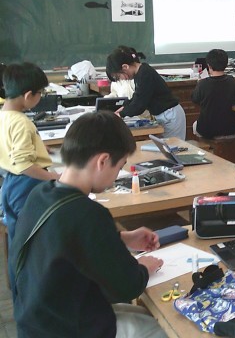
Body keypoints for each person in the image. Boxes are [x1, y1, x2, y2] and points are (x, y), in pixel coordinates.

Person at [9, 111, 166, 337]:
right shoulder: (88, 213)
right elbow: (127, 287)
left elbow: (63, 239)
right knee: (163, 330)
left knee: (141, 316)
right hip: (66, 329)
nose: (116, 176)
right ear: (103, 161)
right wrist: (144, 268)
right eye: (119, 166)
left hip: (37, 321)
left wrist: (123, 238)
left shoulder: (41, 193)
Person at [0, 63, 58, 248]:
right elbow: (24, 165)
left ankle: (17, 266)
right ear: (28, 95)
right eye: (40, 93)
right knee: (32, 238)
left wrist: (37, 147)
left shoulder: (3, 116)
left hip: (10, 183)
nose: (41, 97)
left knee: (18, 236)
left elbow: (9, 147)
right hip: (27, 184)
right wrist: (54, 177)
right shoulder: (21, 122)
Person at [106, 47, 186, 139]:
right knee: (165, 146)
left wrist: (122, 114)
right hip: (165, 116)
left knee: (173, 147)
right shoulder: (140, 73)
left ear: (125, 67)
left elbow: (139, 105)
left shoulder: (145, 73)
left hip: (170, 116)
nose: (121, 79)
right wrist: (124, 107)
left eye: (118, 76)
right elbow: (137, 96)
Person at [191, 49, 235, 139]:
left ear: (209, 65)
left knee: (195, 125)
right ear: (226, 65)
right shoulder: (231, 81)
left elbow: (195, 100)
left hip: (207, 131)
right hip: (231, 130)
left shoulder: (203, 83)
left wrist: (199, 84)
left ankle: (204, 146)